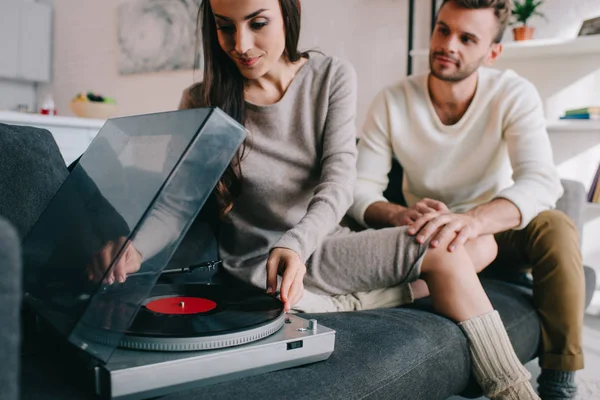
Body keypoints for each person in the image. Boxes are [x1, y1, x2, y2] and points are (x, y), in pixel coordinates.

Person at [179, 0, 538, 398]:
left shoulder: (330, 75)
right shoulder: (201, 101)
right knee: (447, 254)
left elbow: (339, 185)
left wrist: (297, 242)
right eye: (224, 27)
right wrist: (131, 247)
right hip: (267, 267)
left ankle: (350, 300)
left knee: (479, 242)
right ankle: (517, 393)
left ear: (288, 13)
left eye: (258, 23)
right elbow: (176, 202)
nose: (241, 44)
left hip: (322, 244)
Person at [348, 0, 585, 398]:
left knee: (557, 225)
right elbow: (358, 188)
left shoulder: (513, 93)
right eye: (443, 30)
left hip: (493, 228)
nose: (448, 44)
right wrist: (399, 213)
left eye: (467, 38)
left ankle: (559, 381)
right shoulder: (392, 99)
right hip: (427, 236)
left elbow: (541, 180)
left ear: (492, 52)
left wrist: (473, 220)